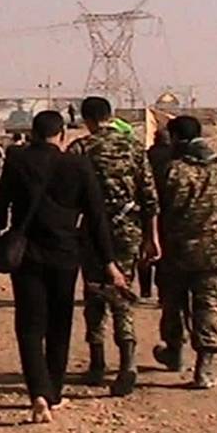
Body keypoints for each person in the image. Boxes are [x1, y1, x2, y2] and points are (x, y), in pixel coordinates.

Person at [0, 111, 126, 424]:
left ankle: (38, 394)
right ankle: (54, 392)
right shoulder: (78, 165)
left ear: (33, 133)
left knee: (29, 326)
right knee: (60, 323)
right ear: (62, 135)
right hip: (65, 253)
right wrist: (109, 262)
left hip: (27, 254)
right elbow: (97, 217)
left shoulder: (18, 161)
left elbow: (0, 205)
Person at [67, 97, 161, 397]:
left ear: (86, 120)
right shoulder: (134, 147)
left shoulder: (80, 148)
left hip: (93, 231)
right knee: (122, 293)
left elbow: (67, 195)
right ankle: (127, 363)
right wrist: (152, 237)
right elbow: (150, 197)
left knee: (94, 292)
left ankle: (97, 363)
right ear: (110, 116)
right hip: (128, 229)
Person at [152, 116, 217, 390]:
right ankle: (205, 368)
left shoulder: (173, 171)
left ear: (176, 138)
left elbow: (157, 210)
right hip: (216, 252)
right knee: (209, 307)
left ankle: (174, 352)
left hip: (178, 250)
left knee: (173, 304)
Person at [141, 126, 174, 299]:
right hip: (168, 208)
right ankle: (163, 290)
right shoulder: (175, 157)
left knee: (145, 249)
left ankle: (145, 288)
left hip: (147, 206)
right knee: (165, 250)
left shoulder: (147, 155)